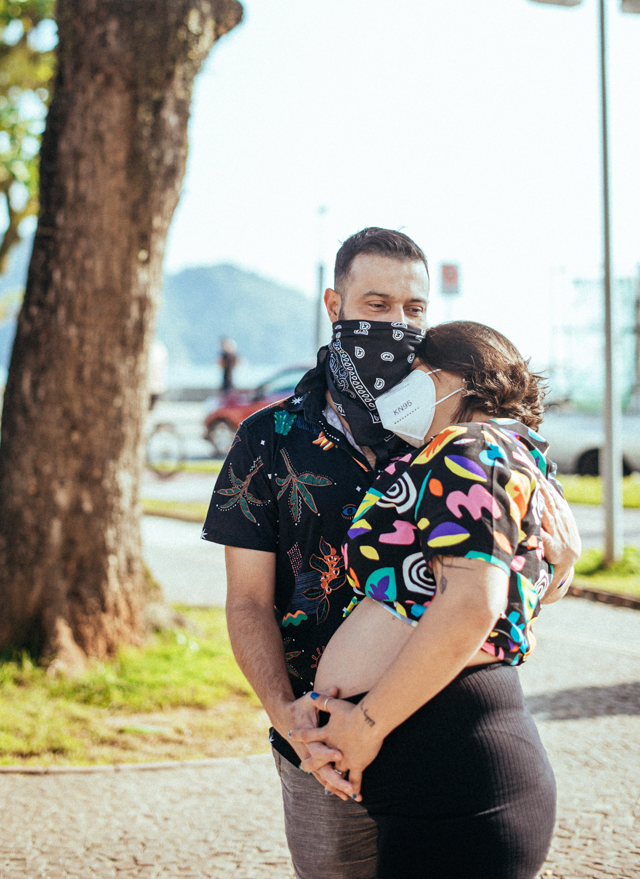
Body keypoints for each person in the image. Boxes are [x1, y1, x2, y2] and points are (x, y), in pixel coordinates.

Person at [201, 227, 581, 879]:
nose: (397, 325)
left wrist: (563, 566)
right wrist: (285, 717)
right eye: (376, 305)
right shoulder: (267, 439)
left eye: (413, 310)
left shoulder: (460, 432)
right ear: (334, 305)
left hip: (444, 730)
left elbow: (517, 588)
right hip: (319, 743)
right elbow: (245, 601)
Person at [291, 320, 562, 878]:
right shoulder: (493, 453)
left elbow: (472, 605)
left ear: (457, 378)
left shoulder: (468, 446)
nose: (397, 391)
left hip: (455, 773)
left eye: (412, 374)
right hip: (439, 772)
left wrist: (364, 725)